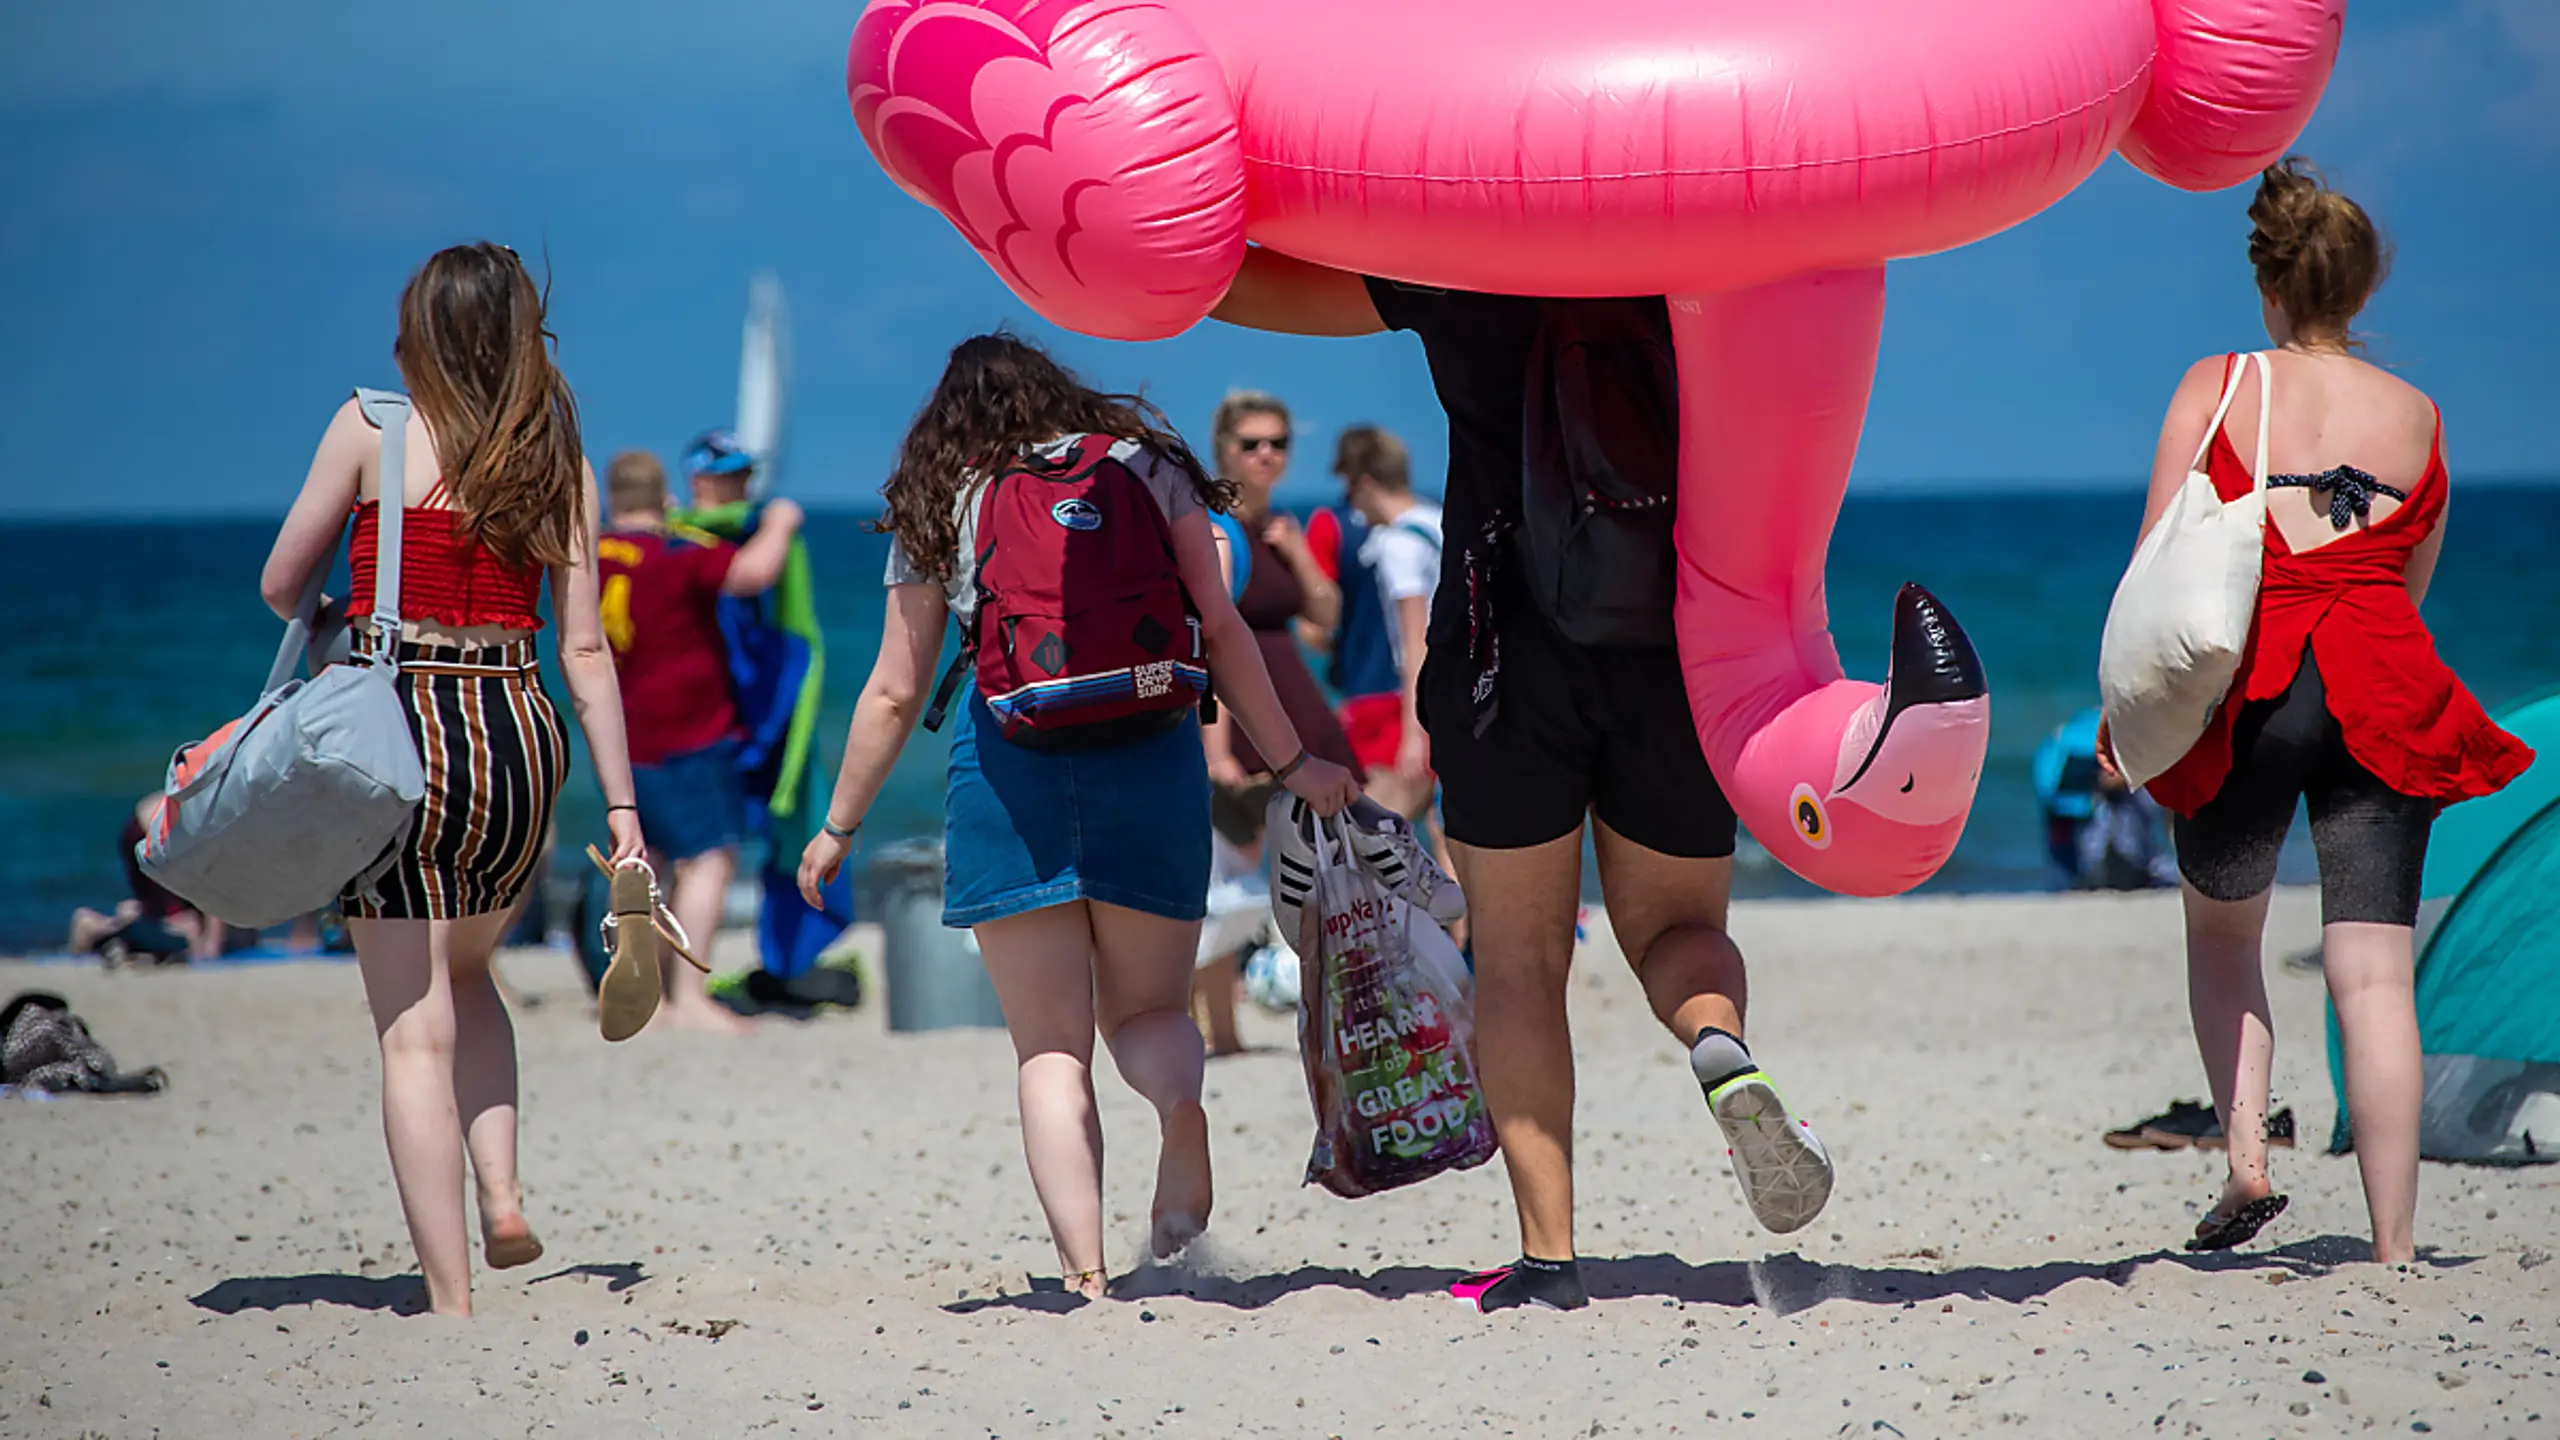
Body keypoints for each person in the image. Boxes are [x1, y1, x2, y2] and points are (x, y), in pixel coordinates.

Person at [1214, 255, 1833, 1312]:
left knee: (1518, 958)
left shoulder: (1463, 257)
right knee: (1670, 930)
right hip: (1672, 646)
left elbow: (1247, 290)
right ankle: (1716, 1041)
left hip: (1501, 652)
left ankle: (1549, 1256)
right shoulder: (1706, 254)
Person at [797, 334, 1360, 1297]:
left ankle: (1085, 1274)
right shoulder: (1147, 467)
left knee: (1050, 1051)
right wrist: (1295, 761)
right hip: (1151, 757)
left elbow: (894, 690)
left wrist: (839, 826)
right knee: (1147, 1011)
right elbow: (1220, 629)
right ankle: (1180, 1100)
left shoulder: (946, 497)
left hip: (1010, 771)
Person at [2100, 160, 2531, 1261]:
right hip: (2380, 685)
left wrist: (2126, 710)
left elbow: (2161, 564)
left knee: (2222, 932)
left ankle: (2246, 1158)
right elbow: (2409, 581)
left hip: (2252, 687)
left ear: (2270, 285)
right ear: (2361, 287)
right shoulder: (2419, 415)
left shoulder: (2219, 384)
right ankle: (2393, 1243)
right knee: (2374, 969)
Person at [257, 242, 647, 1317]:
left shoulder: (371, 428)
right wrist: (622, 808)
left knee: (408, 1027)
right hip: (518, 734)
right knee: (468, 969)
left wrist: (351, 611)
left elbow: (283, 583)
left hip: (402, 733)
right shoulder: (554, 451)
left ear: (418, 330)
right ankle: (504, 1192)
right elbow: (584, 652)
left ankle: (451, 1296)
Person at [597, 449, 805, 1034]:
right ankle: (688, 995)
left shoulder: (594, 554)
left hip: (623, 734)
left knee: (648, 862)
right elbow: (753, 573)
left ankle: (653, 996)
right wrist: (781, 522)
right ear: (664, 498)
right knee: (710, 860)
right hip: (689, 731)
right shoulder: (676, 555)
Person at [1192, 391, 1364, 1053]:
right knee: (1228, 878)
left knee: (1326, 870)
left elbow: (1325, 617)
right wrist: (1215, 752)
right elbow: (1206, 645)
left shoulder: (1277, 528)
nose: (1265, 456)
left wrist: (1296, 551)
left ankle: (1328, 1015)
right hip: (1236, 714)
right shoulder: (1212, 528)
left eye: (1278, 444)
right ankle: (1224, 1032)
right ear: (1223, 450)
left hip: (1295, 705)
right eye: (1251, 444)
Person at [1328, 424, 1442, 821]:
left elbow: (1416, 641)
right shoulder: (1437, 521)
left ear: (1366, 484)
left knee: (1370, 836)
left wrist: (1414, 735)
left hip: (1415, 707)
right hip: (1460, 699)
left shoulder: (1397, 544)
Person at [70, 794, 259, 964]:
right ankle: (99, 927)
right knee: (186, 927)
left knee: (169, 918)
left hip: (148, 824)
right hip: (155, 832)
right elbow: (213, 880)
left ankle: (118, 921)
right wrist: (209, 946)